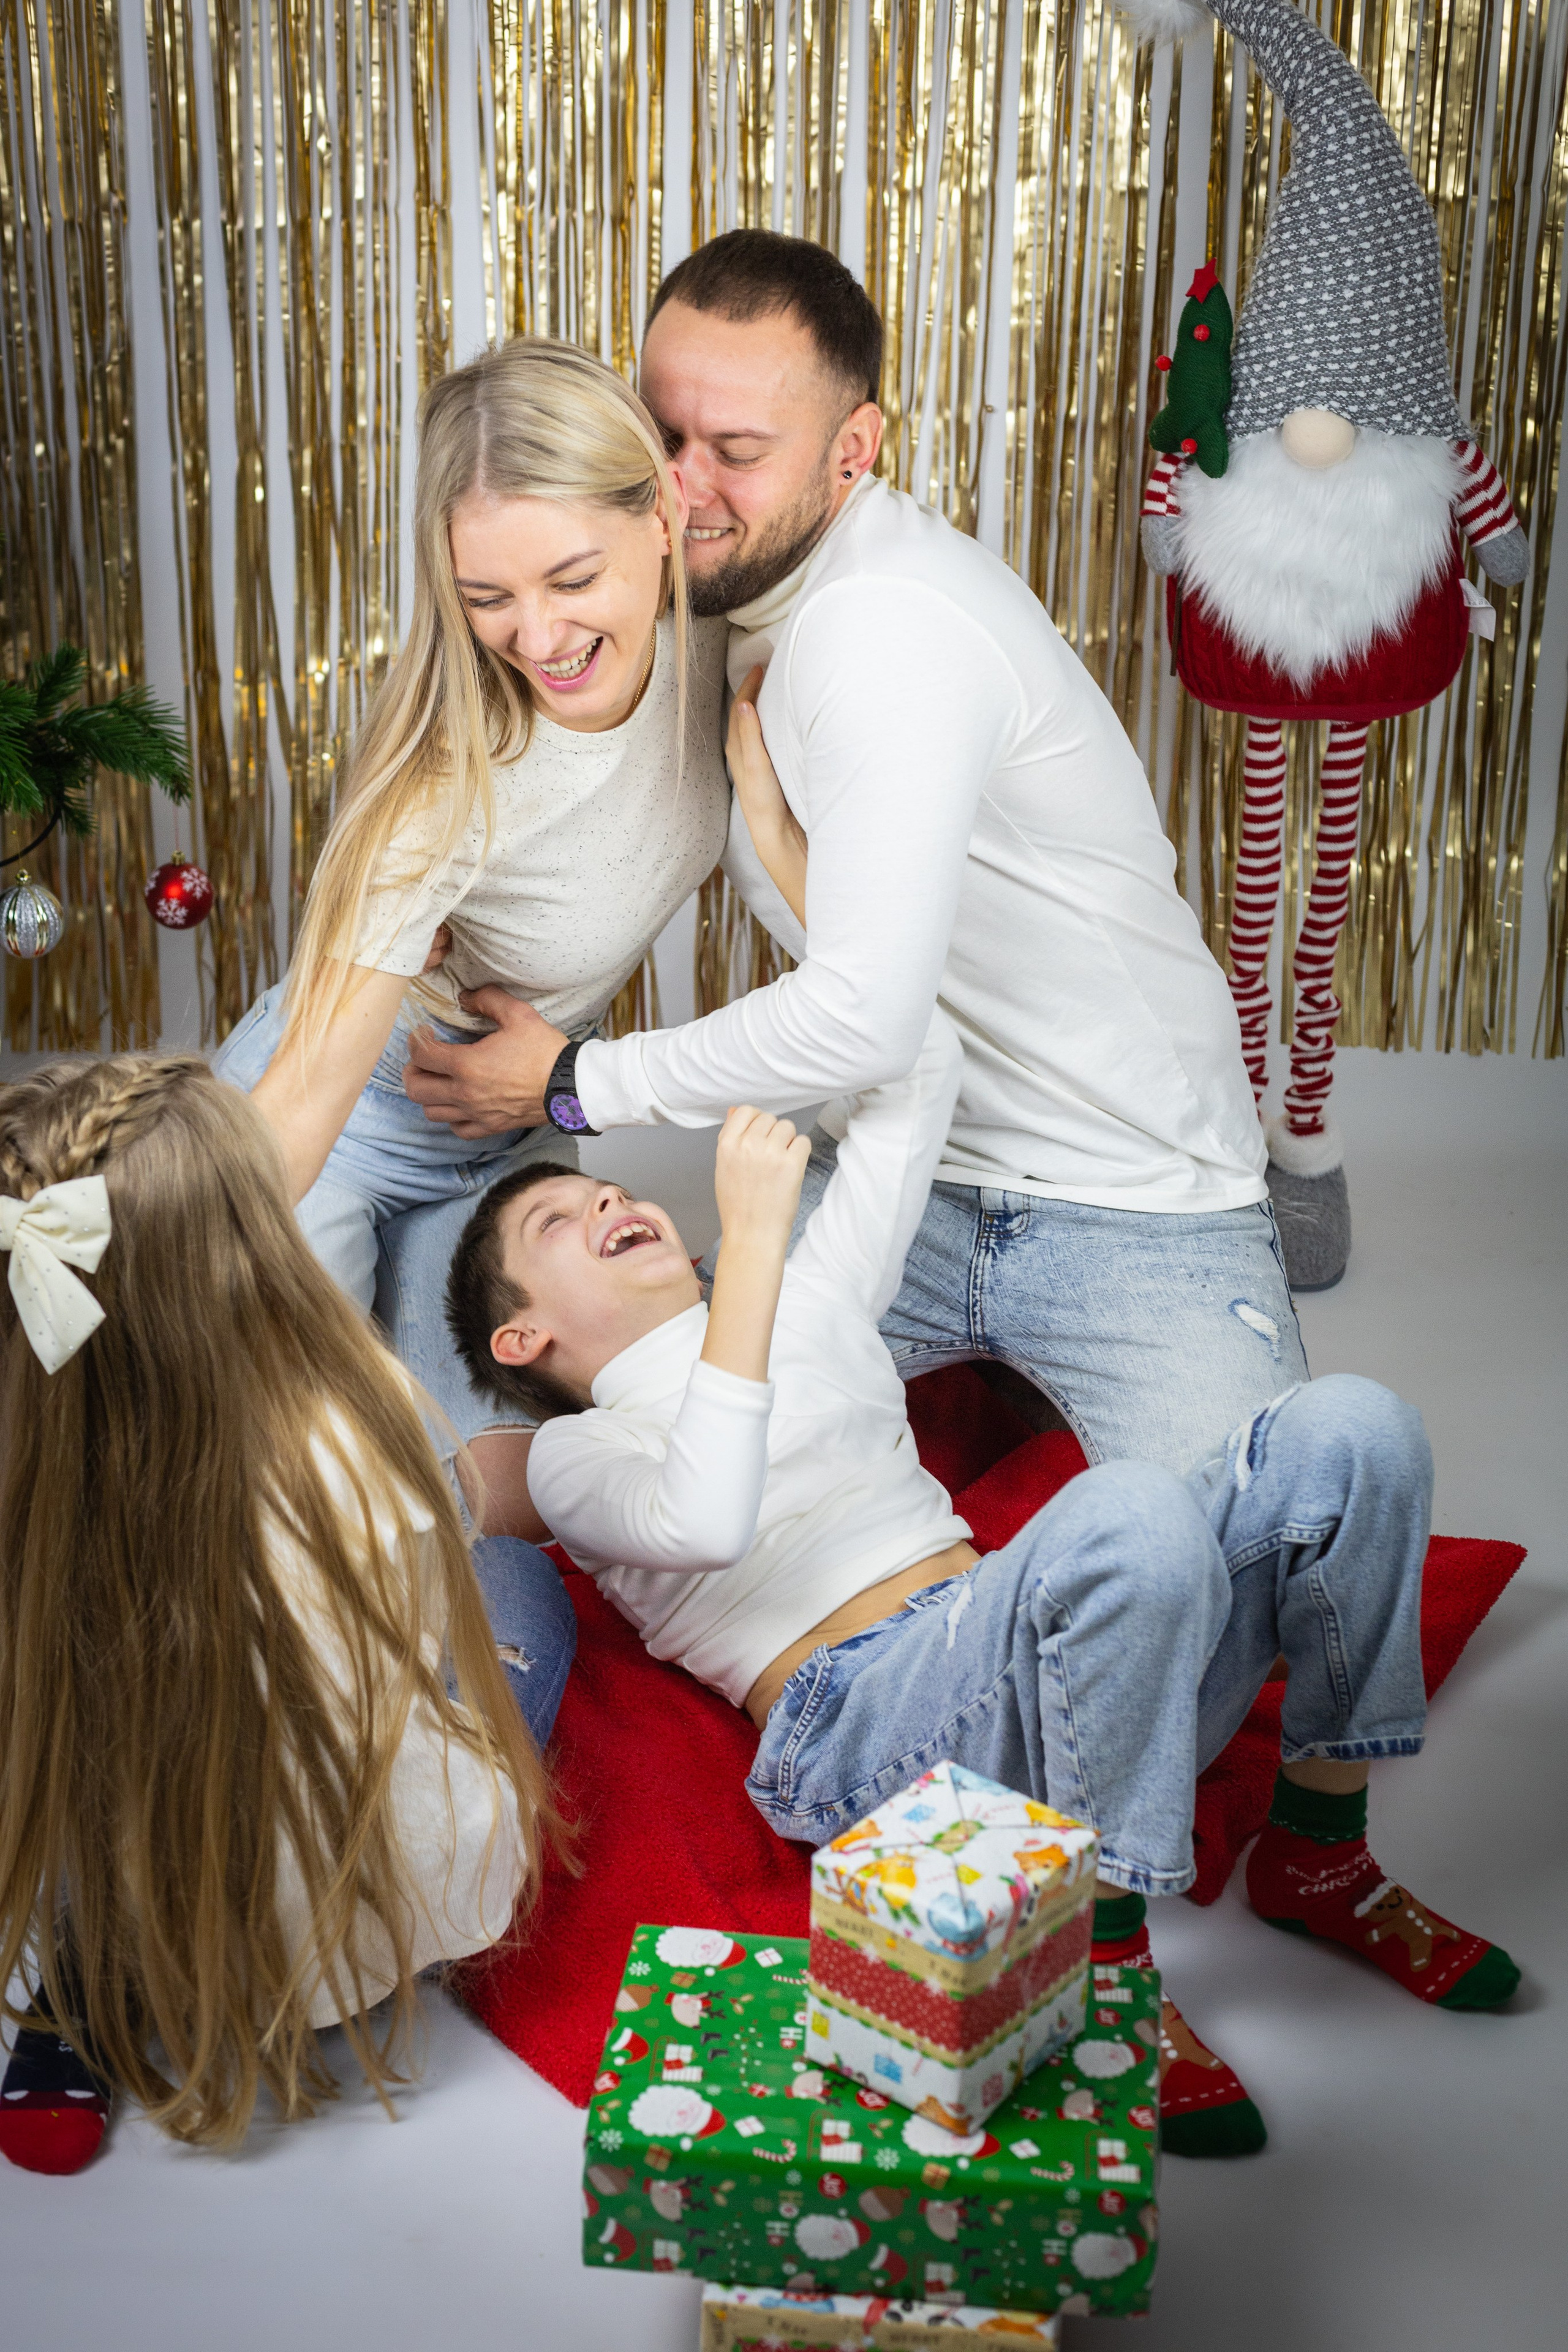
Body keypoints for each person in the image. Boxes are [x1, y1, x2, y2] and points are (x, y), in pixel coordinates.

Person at [443, 766, 1519, 2162]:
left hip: (1071, 1674)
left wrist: (784, 857)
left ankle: (1320, 1849)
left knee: (1349, 1428)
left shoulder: (810, 1301)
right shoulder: (583, 1456)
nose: (608, 1199)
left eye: (605, 1187)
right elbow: (704, 1509)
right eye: (562, 1221)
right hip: (871, 1742)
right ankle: (1101, 1962)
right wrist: (754, 1245)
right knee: (1127, 1507)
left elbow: (921, 1069)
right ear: (524, 1332)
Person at [404, 230, 1302, 1484]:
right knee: (657, 1481)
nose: (683, 485)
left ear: (852, 451)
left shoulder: (878, 631)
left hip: (1129, 1194)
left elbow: (868, 1020)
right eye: (660, 435)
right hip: (894, 1168)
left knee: (1238, 1576)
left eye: (737, 452)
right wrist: (439, 901)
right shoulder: (689, 588)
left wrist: (570, 1082)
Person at [0, 1055, 571, 2174]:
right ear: (253, 1242)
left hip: (112, 1860)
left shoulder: (26, 1459)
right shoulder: (360, 1430)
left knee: (83, 1702)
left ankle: (73, 1975)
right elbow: (405, 1650)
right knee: (520, 1588)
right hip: (328, 1943)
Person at [215, 337, 729, 1530]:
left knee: (498, 1507)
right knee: (297, 1482)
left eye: (567, 578)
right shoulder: (448, 778)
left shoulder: (732, 643)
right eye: (486, 598)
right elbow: (301, 1101)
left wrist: (553, 1089)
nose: (537, 637)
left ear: (659, 511)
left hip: (507, 1138)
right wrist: (162, 1278)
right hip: (340, 1131)